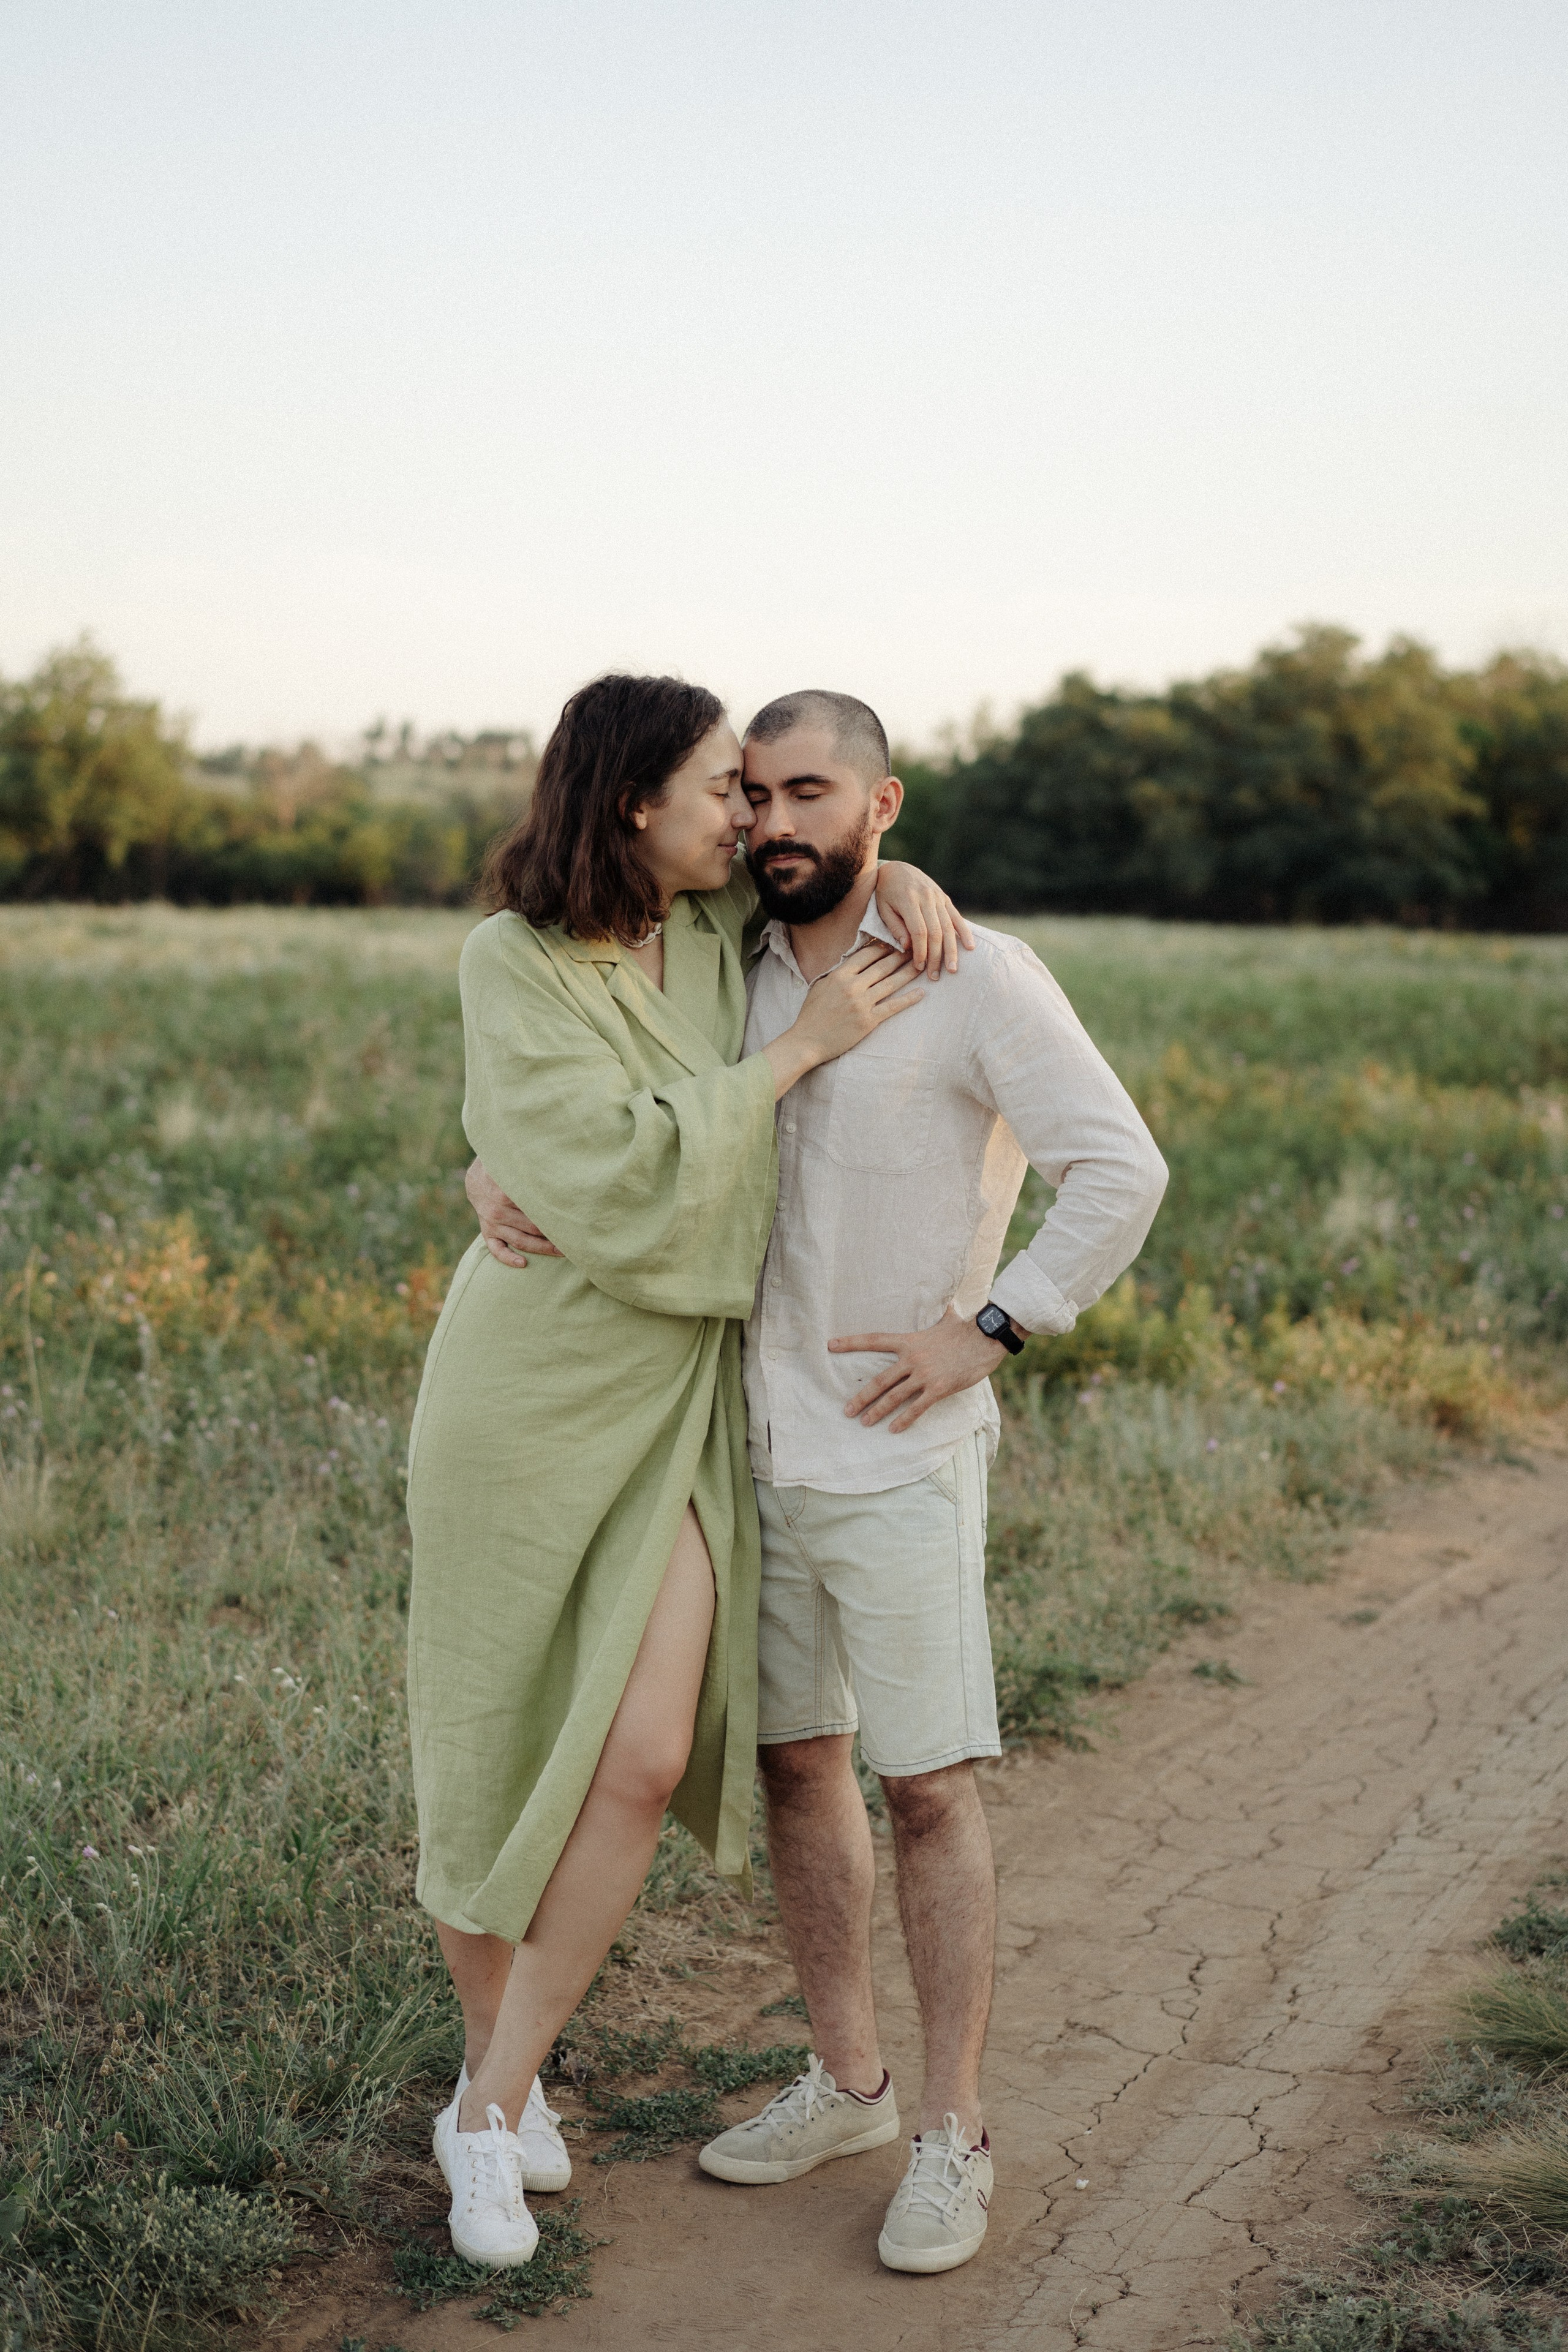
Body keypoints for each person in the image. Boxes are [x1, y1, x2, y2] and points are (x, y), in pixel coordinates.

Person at [472, 688, 1167, 2277]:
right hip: (746, 1447)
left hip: (902, 1455)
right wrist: (486, 1155)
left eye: (809, 792)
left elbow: (1121, 1167)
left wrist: (994, 1326)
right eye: (754, 793)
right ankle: (849, 2083)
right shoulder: (728, 967)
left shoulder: (973, 974)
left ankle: (954, 2132)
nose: (774, 822)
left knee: (927, 1789)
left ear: (884, 806)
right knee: (800, 1772)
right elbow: (606, 1088)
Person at [405, 670, 965, 2269]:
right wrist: (787, 1069)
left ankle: (492, 2105)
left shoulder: (722, 933)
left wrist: (900, 873)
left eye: (757, 792)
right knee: (497, 1727)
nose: (747, 815)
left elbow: (834, 888)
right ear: (632, 799)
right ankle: (497, 2084)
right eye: (726, 787)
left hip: (681, 1398)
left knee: (643, 1756)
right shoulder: (509, 961)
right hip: (530, 1383)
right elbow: (611, 1172)